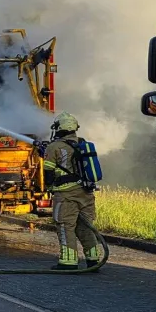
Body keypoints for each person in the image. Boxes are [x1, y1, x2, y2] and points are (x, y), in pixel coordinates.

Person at [36, 112, 100, 271]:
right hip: (86, 193)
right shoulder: (82, 143)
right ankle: (94, 259)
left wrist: (49, 187)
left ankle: (69, 261)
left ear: (58, 128)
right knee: (85, 227)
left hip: (66, 195)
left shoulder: (54, 147)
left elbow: (49, 172)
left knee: (65, 226)